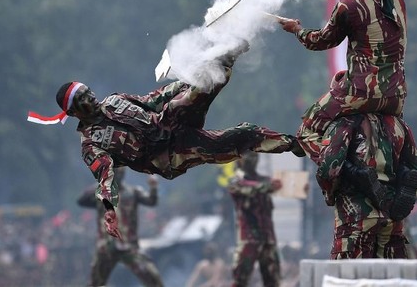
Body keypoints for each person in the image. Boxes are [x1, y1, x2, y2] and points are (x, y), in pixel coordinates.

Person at [28, 46, 304, 239]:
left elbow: (153, 99)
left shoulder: (113, 100)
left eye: (88, 93)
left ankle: (229, 51)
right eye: (83, 101)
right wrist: (110, 209)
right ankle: (290, 143)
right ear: (74, 112)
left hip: (167, 121)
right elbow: (105, 175)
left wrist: (184, 83)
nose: (91, 99)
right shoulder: (90, 143)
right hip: (169, 154)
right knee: (239, 136)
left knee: (198, 88)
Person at [278, 0, 408, 166]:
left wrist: (297, 30)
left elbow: (320, 41)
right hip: (396, 95)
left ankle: (345, 166)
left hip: (361, 92)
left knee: (306, 131)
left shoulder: (349, 6)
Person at [316, 113, 417, 259]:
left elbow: (328, 171)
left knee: (351, 278)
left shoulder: (346, 123)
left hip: (356, 216)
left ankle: (362, 175)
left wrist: (330, 195)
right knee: (391, 277)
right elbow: (413, 167)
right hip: (392, 216)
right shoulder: (400, 125)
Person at [77, 168, 163, 287]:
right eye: (115, 171)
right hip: (107, 246)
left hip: (129, 245)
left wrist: (153, 187)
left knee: (151, 275)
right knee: (95, 283)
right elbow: (82, 200)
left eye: (121, 171)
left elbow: (151, 201)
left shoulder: (133, 192)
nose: (119, 174)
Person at [228, 151, 281, 287]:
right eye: (248, 155)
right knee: (240, 279)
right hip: (249, 238)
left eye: (254, 155)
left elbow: (283, 186)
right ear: (239, 159)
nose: (252, 159)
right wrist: (267, 186)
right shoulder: (237, 181)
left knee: (273, 281)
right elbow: (249, 187)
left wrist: (299, 187)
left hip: (267, 238)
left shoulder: (265, 180)